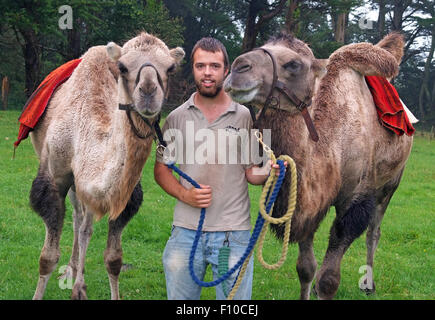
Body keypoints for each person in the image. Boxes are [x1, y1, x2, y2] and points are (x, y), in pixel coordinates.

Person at [154, 37, 284, 300]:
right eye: (201, 66)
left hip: (233, 234)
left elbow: (251, 173)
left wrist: (270, 172)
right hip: (185, 232)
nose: (207, 73)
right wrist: (184, 195)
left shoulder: (245, 115)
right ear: (193, 69)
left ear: (226, 71)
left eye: (215, 66)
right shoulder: (177, 117)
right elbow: (161, 170)